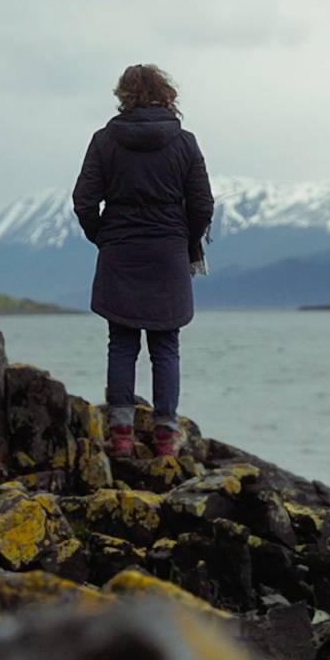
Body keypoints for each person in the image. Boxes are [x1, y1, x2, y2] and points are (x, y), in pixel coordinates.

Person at [71, 64, 214, 458]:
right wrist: (187, 241)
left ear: (123, 96)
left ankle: (120, 434)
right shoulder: (184, 143)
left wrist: (102, 236)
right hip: (169, 253)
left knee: (122, 342)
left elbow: (83, 200)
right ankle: (166, 435)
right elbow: (202, 204)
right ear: (168, 94)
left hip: (120, 250)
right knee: (166, 345)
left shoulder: (104, 141)